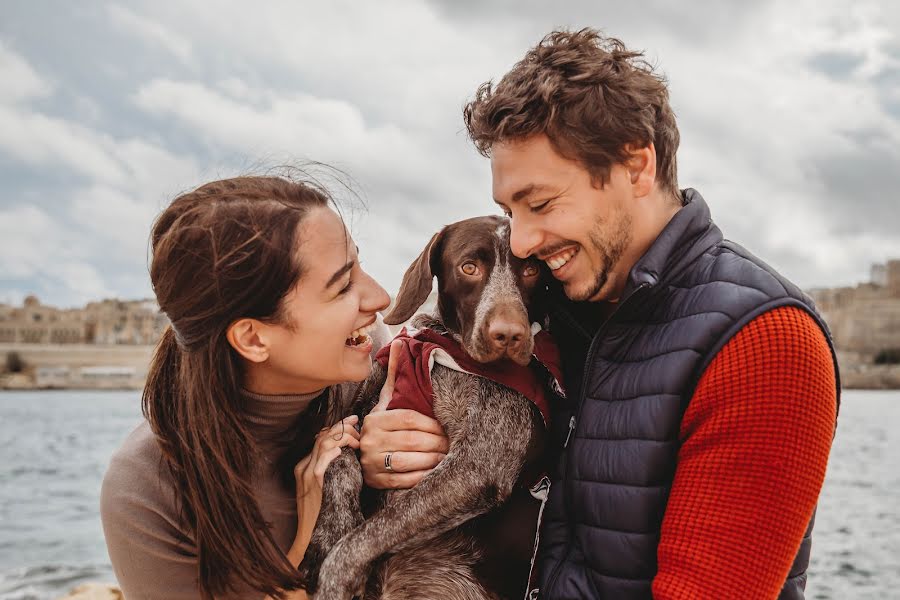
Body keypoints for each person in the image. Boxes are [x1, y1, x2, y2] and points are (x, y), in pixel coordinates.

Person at [359, 29, 839, 599]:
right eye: (510, 210)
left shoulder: (765, 341)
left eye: (540, 204)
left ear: (636, 167)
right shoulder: (550, 304)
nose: (524, 241)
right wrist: (390, 443)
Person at [100, 176, 410, 599]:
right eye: (342, 287)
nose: (381, 297)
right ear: (252, 338)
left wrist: (402, 458)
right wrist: (308, 540)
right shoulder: (149, 487)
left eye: (360, 264)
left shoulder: (383, 367)